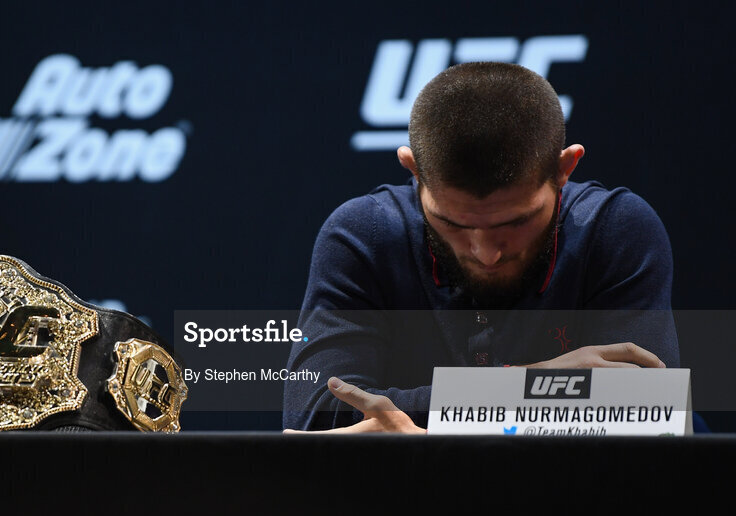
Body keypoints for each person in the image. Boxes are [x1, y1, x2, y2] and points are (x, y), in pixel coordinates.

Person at [282, 61, 707, 434]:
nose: (486, 253)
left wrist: (430, 429)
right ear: (414, 171)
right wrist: (535, 386)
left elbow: (645, 419)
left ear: (565, 168)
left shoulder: (615, 228)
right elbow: (315, 420)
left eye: (515, 222)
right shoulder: (363, 234)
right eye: (453, 223)